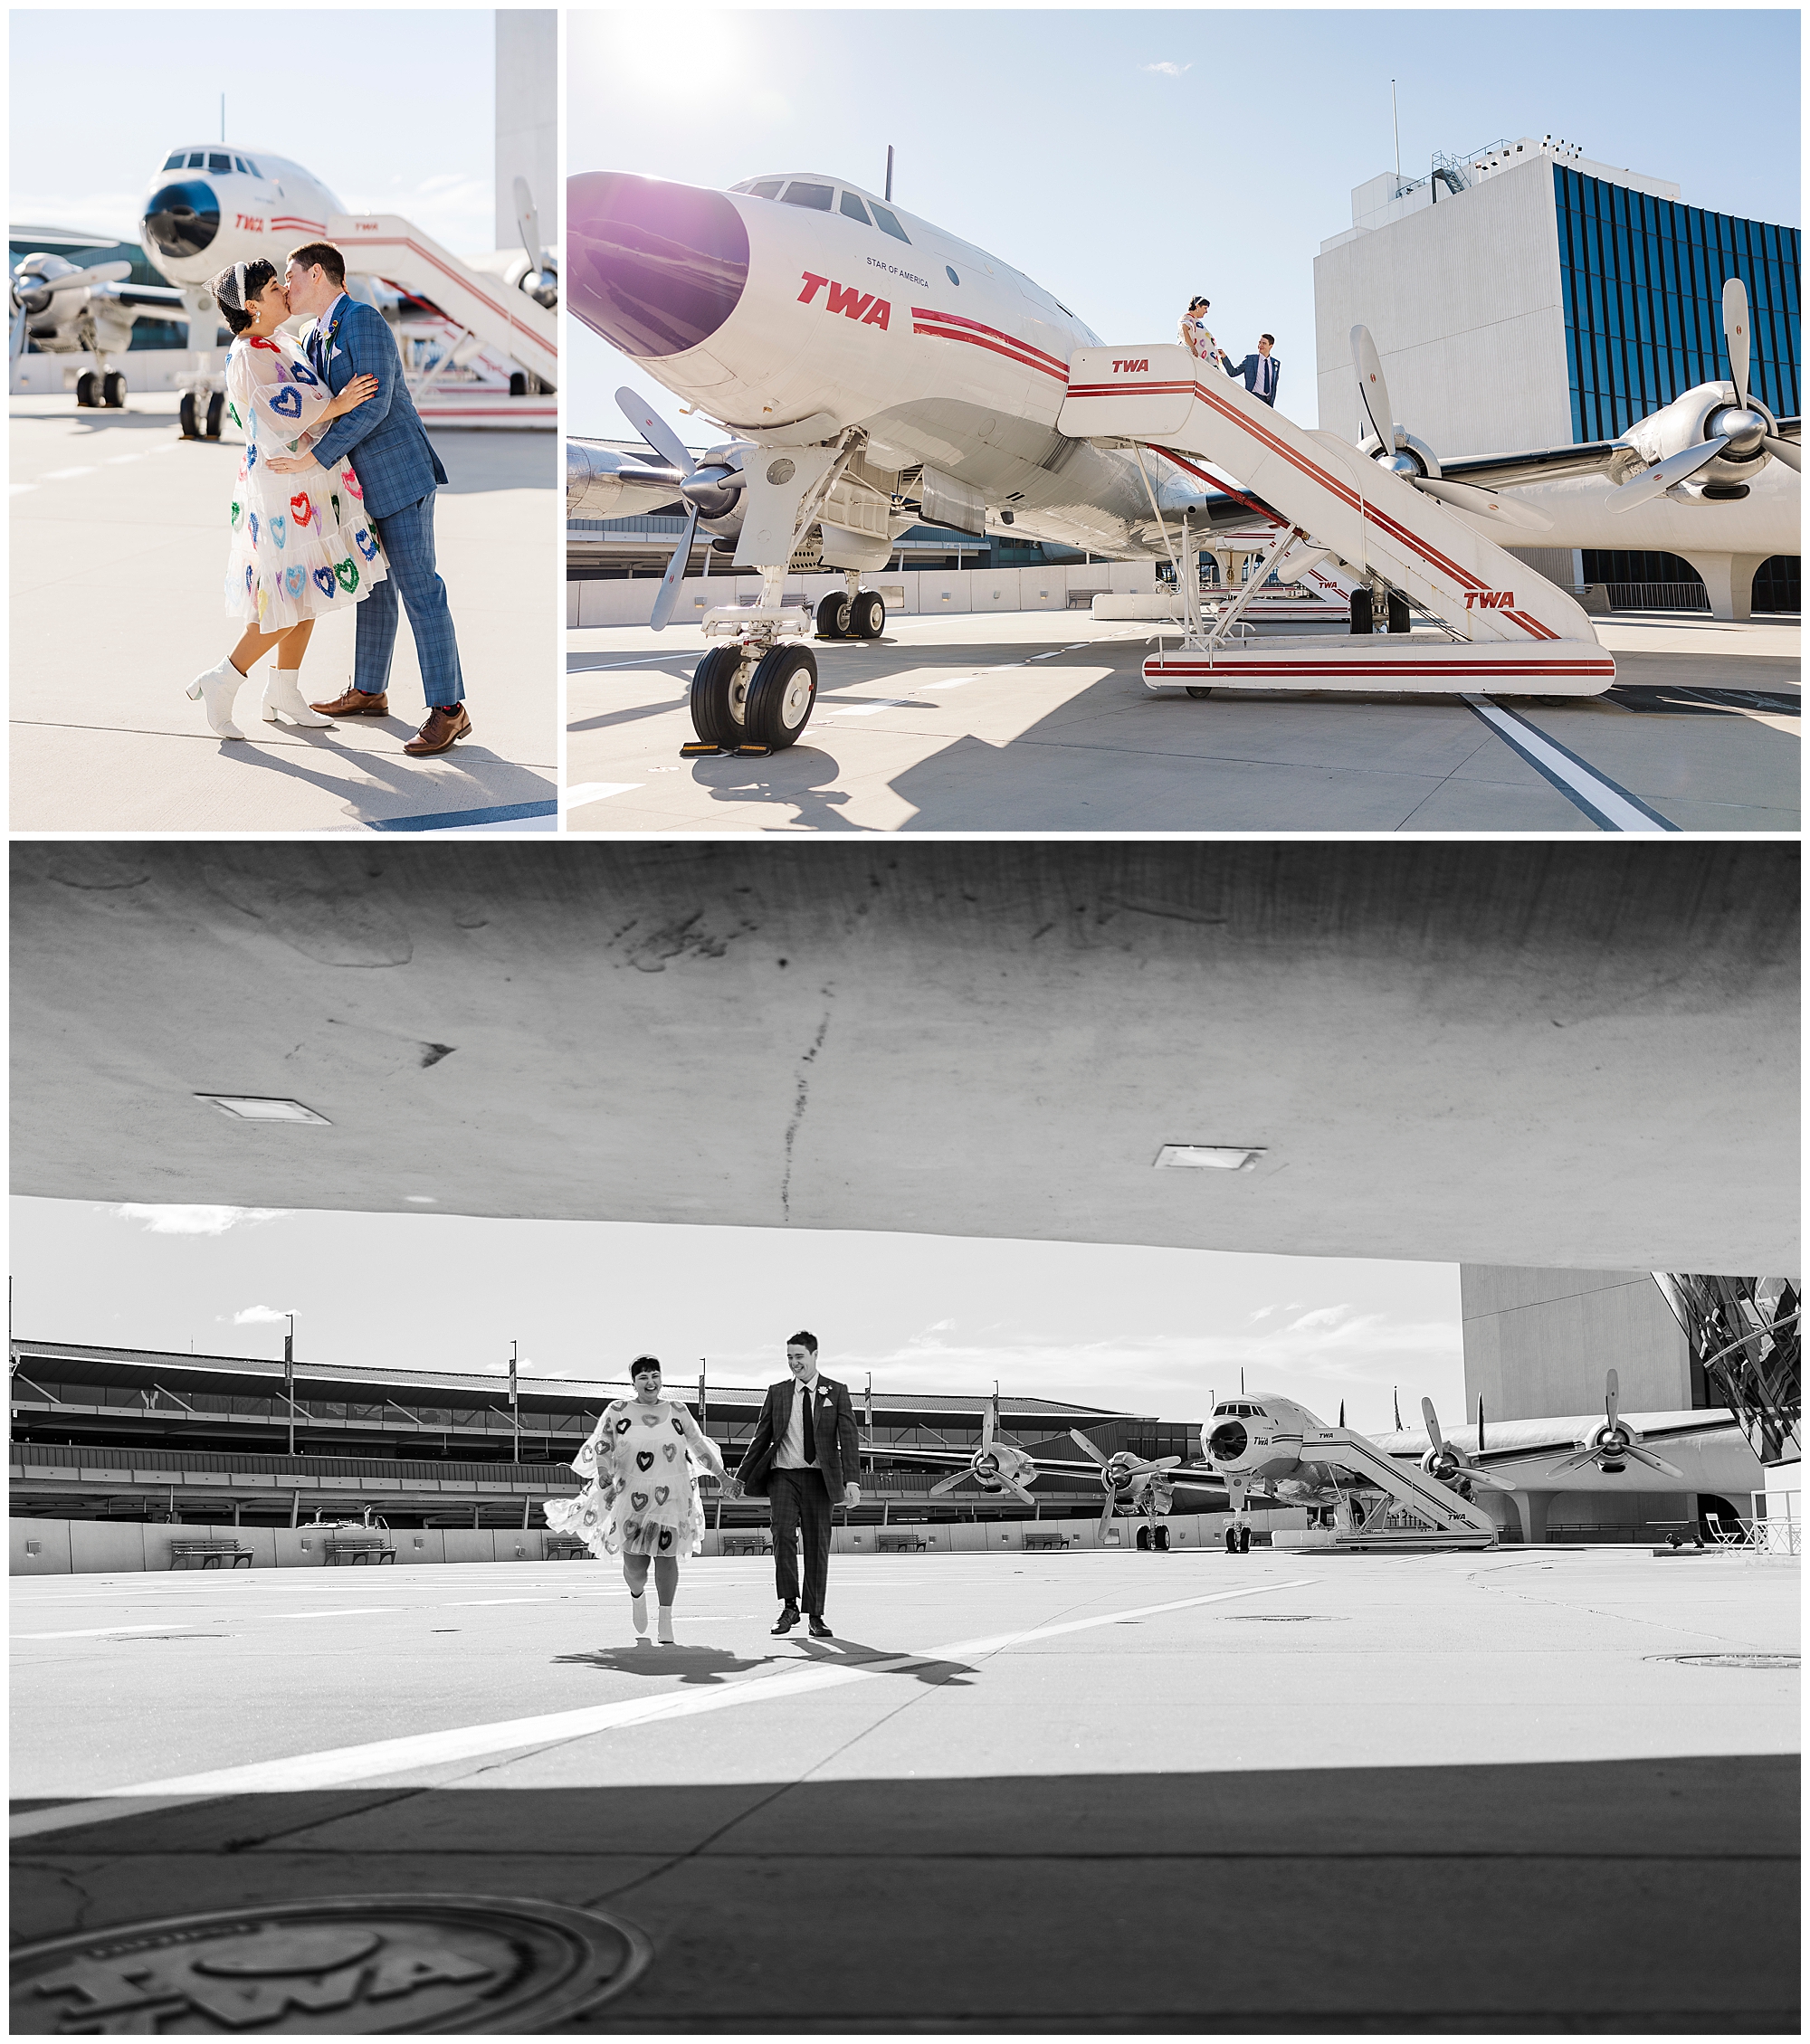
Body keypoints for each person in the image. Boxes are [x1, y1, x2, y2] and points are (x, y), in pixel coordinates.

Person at [267, 242, 473, 758]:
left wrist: (317, 456)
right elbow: (323, 405)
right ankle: (369, 689)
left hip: (398, 475)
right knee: (374, 589)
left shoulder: (363, 321)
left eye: (289, 276)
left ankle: (450, 710)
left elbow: (376, 403)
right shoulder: (312, 334)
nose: (285, 285)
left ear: (317, 274)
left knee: (420, 589)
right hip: (355, 487)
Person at [185, 259, 385, 739]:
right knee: (284, 597)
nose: (285, 293)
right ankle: (224, 679)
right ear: (252, 305)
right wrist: (336, 406)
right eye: (276, 288)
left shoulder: (281, 342)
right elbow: (281, 412)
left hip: (306, 480)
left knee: (307, 592)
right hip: (280, 484)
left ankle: (284, 690)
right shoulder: (247, 353)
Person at [545, 1355, 726, 1645]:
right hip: (631, 1495)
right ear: (634, 1382)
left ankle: (665, 1619)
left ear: (661, 1379)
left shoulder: (677, 1410)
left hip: (671, 1495)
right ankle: (637, 1595)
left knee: (667, 1557)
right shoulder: (618, 1410)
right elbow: (603, 1443)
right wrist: (603, 1471)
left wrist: (722, 1476)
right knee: (636, 1568)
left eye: (655, 1375)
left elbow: (697, 1444)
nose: (650, 1382)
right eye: (643, 1377)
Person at [731, 1331, 861, 1638]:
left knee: (817, 1545)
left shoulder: (837, 1392)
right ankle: (790, 1606)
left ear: (815, 1356)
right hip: (783, 1476)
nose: (794, 1363)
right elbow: (761, 1438)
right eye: (789, 1357)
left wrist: (852, 1481)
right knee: (783, 1534)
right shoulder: (777, 1392)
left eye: (799, 1357)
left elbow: (849, 1439)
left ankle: (815, 1615)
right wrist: (740, 1477)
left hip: (820, 1478)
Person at [1178, 296, 1229, 373]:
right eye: (1205, 308)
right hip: (1192, 356)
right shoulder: (1187, 317)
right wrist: (1192, 347)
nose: (1206, 311)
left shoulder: (1196, 321)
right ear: (1198, 306)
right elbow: (1184, 329)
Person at [1230, 335, 1281, 407]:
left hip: (1267, 403)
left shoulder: (1276, 364)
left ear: (1270, 346)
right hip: (1253, 397)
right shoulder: (1250, 359)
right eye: (1260, 343)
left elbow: (1273, 385)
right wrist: (1224, 358)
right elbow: (1233, 372)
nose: (1260, 345)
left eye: (1264, 343)